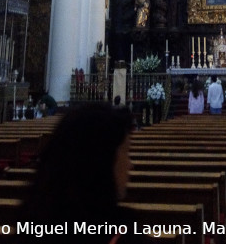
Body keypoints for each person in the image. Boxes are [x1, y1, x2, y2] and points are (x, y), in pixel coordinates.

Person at [20, 103, 141, 241]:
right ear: (103, 161)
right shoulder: (124, 236)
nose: (130, 164)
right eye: (125, 152)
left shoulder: (30, 228)